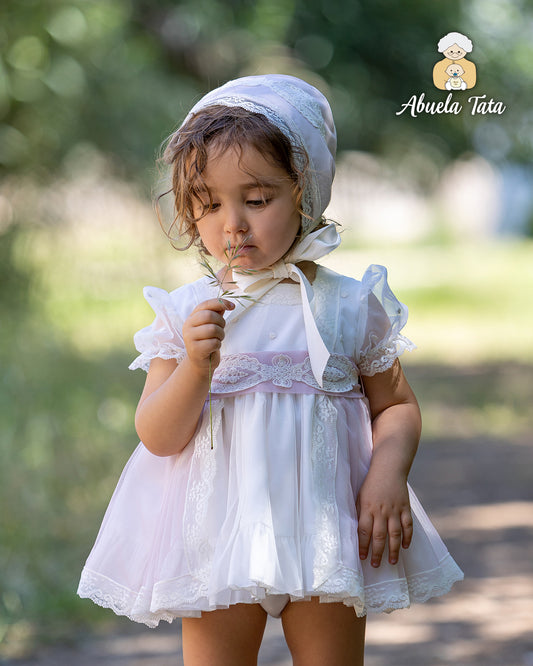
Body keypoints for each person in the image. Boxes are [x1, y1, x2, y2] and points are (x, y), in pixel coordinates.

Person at [78, 74, 463, 665]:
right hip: (215, 538)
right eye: (208, 204)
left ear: (305, 193)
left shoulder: (348, 304)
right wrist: (195, 368)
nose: (233, 223)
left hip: (327, 533)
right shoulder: (185, 314)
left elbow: (396, 405)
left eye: (257, 200)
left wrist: (388, 472)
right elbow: (157, 435)